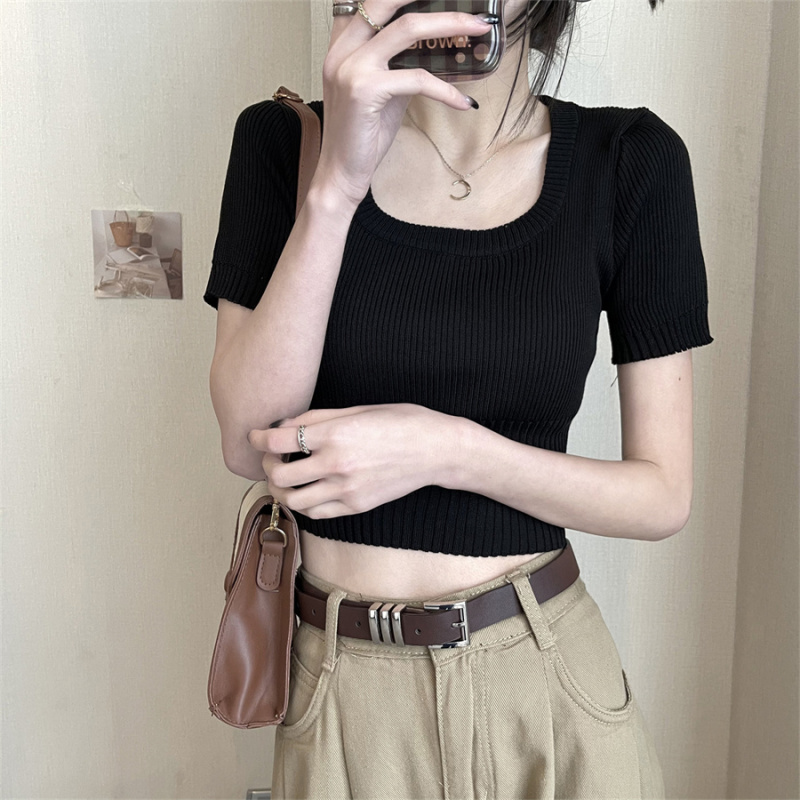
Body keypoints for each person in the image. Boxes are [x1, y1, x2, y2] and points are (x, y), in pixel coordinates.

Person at [204, 0, 713, 795]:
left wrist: (447, 450)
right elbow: (247, 440)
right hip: (342, 687)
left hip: (544, 678)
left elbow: (662, 495)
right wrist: (338, 183)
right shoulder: (284, 145)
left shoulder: (630, 161)